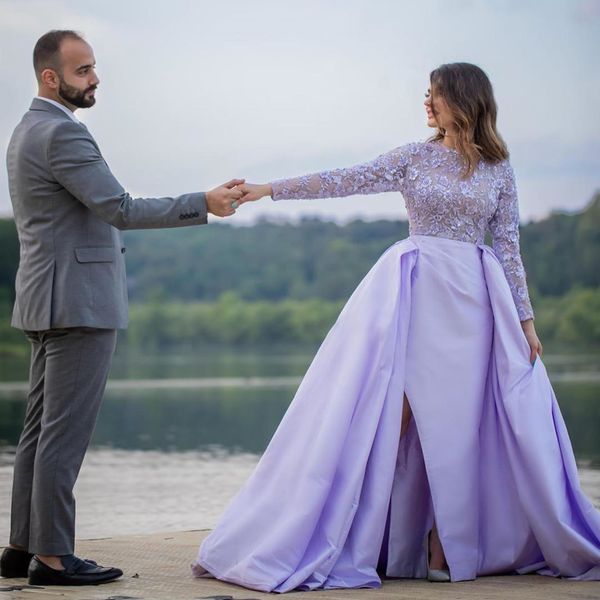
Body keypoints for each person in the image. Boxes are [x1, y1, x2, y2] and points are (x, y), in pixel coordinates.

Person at [192, 62, 600, 591]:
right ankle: (368, 536)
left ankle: (443, 545)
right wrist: (267, 189)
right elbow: (343, 179)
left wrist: (525, 321)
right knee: (395, 416)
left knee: (461, 425)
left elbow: (509, 250)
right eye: (425, 95)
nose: (425, 103)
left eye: (434, 95)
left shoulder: (499, 167)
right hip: (418, 294)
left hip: (475, 303)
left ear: (463, 99)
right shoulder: (413, 157)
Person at [0, 30, 244, 587]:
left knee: (38, 434)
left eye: (93, 68)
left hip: (45, 298)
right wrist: (201, 203)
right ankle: (55, 558)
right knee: (61, 437)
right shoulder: (61, 134)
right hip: (79, 304)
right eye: (83, 71)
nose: (94, 79)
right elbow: (120, 208)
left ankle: (22, 547)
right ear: (50, 77)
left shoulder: (26, 130)